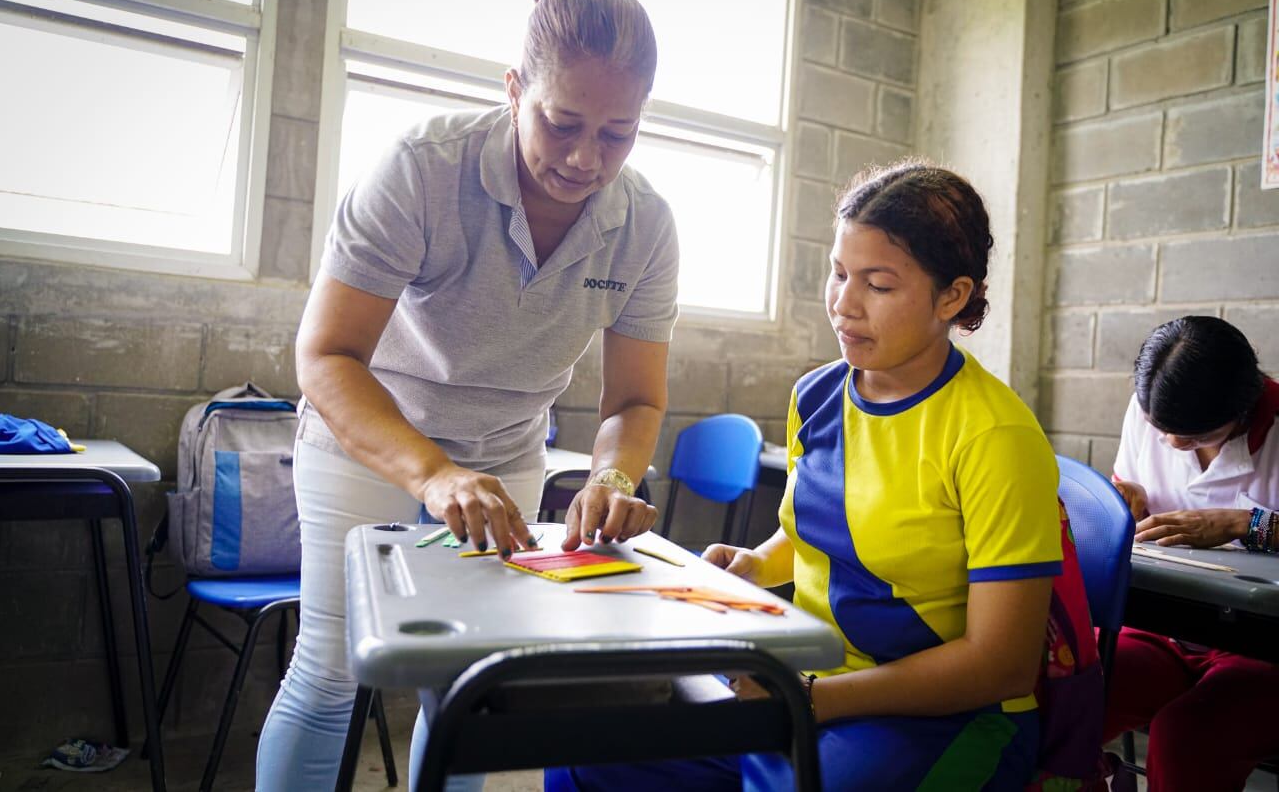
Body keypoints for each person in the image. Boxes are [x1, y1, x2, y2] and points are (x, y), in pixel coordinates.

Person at [255, 0, 678, 790]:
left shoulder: (646, 224)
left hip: (504, 452)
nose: (586, 158)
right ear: (514, 89)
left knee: (469, 686)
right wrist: (432, 473)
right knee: (333, 669)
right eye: (563, 124)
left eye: (618, 134)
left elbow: (635, 399)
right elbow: (326, 355)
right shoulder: (424, 166)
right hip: (368, 437)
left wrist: (613, 472)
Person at [548, 160, 1066, 791]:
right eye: (839, 273)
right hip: (808, 681)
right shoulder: (818, 395)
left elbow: (1002, 666)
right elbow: (814, 536)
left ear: (952, 297)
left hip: (944, 716)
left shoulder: (994, 436)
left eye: (877, 285)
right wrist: (753, 566)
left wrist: (816, 698)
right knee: (582, 754)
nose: (843, 304)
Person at [1105, 315, 1279, 791]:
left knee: (1185, 738)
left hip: (1261, 651)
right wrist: (1125, 495)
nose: (1172, 443)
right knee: (1068, 685)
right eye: (1161, 428)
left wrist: (1250, 524)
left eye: (1195, 435)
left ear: (1244, 407)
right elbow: (1128, 479)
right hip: (1163, 631)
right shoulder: (1152, 410)